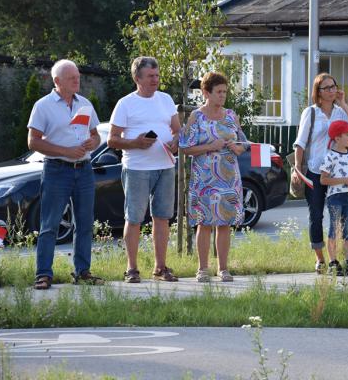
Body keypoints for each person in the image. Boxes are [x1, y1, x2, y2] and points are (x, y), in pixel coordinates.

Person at [28, 59, 103, 290]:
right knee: (49, 224)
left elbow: (97, 136)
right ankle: (43, 274)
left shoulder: (85, 104)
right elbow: (32, 142)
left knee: (84, 224)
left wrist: (93, 142)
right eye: (72, 77)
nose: (77, 80)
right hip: (56, 170)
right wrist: (66, 151)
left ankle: (82, 272)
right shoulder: (43, 105)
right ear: (57, 81)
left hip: (84, 170)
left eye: (78, 76)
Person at [108, 56, 180, 283]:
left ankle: (160, 267)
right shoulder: (125, 103)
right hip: (137, 168)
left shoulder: (166, 99)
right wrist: (135, 143)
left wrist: (176, 141)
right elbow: (112, 140)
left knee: (162, 218)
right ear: (137, 78)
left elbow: (178, 130)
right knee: (134, 218)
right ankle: (131, 268)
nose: (155, 80)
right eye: (150, 76)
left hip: (166, 166)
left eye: (157, 76)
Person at [292, 73, 348, 275]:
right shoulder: (311, 113)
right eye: (327, 88)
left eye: (334, 86)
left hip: (340, 171)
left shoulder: (340, 112)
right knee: (316, 215)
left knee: (347, 217)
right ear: (318, 92)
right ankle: (321, 259)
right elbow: (300, 143)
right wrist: (298, 169)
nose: (332, 90)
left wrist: (343, 103)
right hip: (316, 171)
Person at [179, 72, 247, 282]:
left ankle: (223, 268)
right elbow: (185, 147)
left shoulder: (231, 116)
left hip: (227, 179)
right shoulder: (196, 117)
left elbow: (245, 143)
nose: (222, 96)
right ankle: (202, 269)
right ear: (206, 93)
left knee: (224, 222)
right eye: (218, 92)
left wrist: (237, 147)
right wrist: (210, 146)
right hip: (204, 179)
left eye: (225, 92)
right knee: (204, 223)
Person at [319, 121, 348, 275]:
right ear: (337, 138)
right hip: (335, 198)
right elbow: (323, 180)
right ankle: (333, 262)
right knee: (334, 229)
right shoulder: (330, 156)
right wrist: (345, 180)